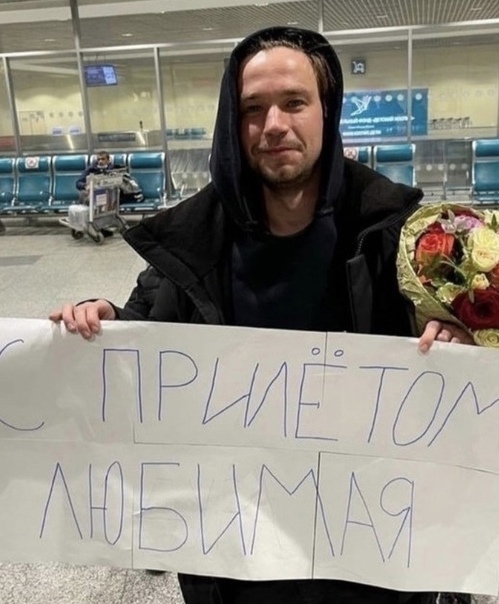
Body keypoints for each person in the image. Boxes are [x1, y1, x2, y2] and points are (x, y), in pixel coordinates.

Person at [51, 26, 473, 604]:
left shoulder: (396, 234)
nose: (273, 124)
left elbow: (457, 369)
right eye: (253, 109)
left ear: (326, 111)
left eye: (294, 102)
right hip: (238, 558)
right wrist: (102, 322)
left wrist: (459, 338)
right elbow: (147, 335)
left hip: (369, 557)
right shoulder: (191, 241)